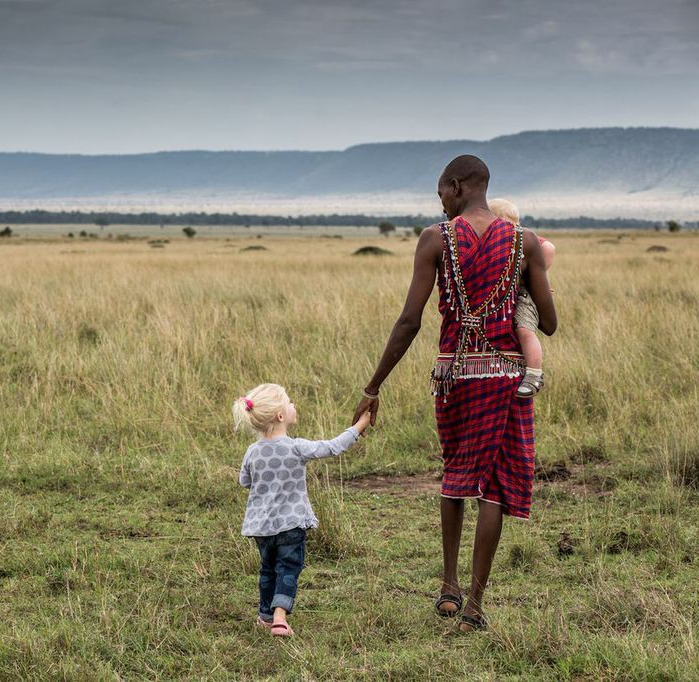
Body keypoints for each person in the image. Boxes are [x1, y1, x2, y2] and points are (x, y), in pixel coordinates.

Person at [351, 156, 556, 632]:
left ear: (457, 186)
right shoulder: (523, 242)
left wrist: (374, 384)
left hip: (455, 377)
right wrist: (519, 295)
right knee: (496, 488)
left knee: (456, 473)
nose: (440, 201)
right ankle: (476, 607)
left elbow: (409, 321)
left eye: (441, 192)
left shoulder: (434, 239)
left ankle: (448, 588)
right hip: (507, 381)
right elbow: (549, 323)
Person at [234, 383, 371, 637]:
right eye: (290, 401)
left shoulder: (252, 452)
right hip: (292, 524)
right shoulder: (296, 448)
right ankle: (279, 617)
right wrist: (359, 426)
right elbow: (332, 447)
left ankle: (265, 615)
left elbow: (245, 481)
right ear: (280, 416)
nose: (294, 404)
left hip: (261, 527)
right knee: (288, 567)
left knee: (268, 568)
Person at [488, 198, 556, 398]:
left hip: (525, 295)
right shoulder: (492, 243)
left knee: (524, 330)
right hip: (505, 295)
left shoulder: (524, 240)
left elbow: (548, 248)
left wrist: (535, 278)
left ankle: (534, 374)